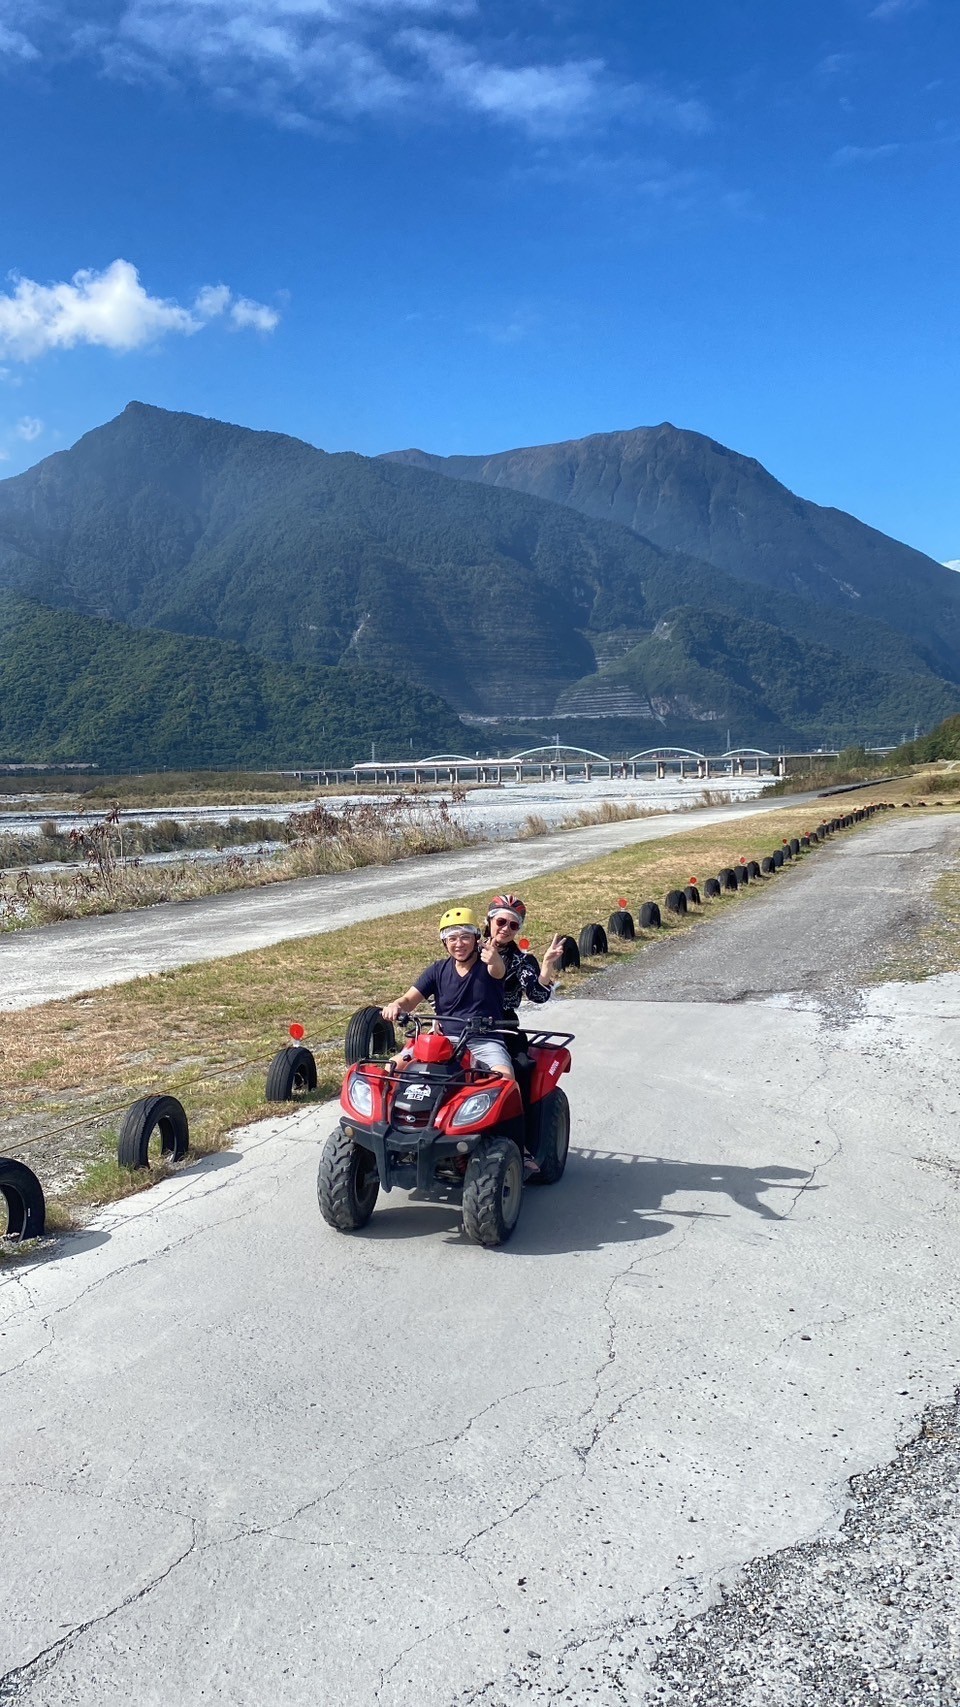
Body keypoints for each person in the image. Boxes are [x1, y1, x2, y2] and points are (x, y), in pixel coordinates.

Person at [381, 906, 514, 1078]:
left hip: (484, 1040)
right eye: (452, 938)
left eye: (465, 937)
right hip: (442, 1040)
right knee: (391, 1068)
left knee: (504, 1077)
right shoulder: (437, 970)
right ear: (445, 942)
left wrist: (495, 959)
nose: (459, 944)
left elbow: (498, 970)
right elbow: (408, 1000)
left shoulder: (488, 965)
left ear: (476, 938)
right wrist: (395, 1005)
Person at [483, 893, 565, 1016]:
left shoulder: (521, 961)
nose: (506, 929)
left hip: (502, 1025)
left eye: (513, 925)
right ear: (489, 921)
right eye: (501, 922)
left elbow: (538, 996)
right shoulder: (471, 951)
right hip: (464, 1021)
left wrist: (547, 963)